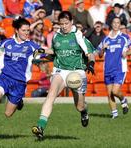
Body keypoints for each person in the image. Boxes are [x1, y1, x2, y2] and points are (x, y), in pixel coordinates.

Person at [31, 11, 95, 139]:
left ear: (71, 22)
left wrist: (91, 63)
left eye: (66, 23)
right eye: (62, 24)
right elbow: (54, 52)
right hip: (60, 70)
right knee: (51, 95)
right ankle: (40, 127)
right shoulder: (56, 36)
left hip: (76, 72)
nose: (64, 26)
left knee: (79, 106)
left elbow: (90, 53)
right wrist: (42, 51)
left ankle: (84, 112)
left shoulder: (78, 35)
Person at [97, 17, 131, 119]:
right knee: (109, 94)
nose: (115, 24)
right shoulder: (106, 38)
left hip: (119, 69)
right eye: (114, 22)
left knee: (115, 91)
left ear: (119, 25)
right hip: (108, 69)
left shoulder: (124, 37)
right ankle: (115, 114)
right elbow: (100, 54)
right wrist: (103, 49)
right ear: (111, 24)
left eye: (118, 23)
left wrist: (126, 53)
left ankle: (123, 100)